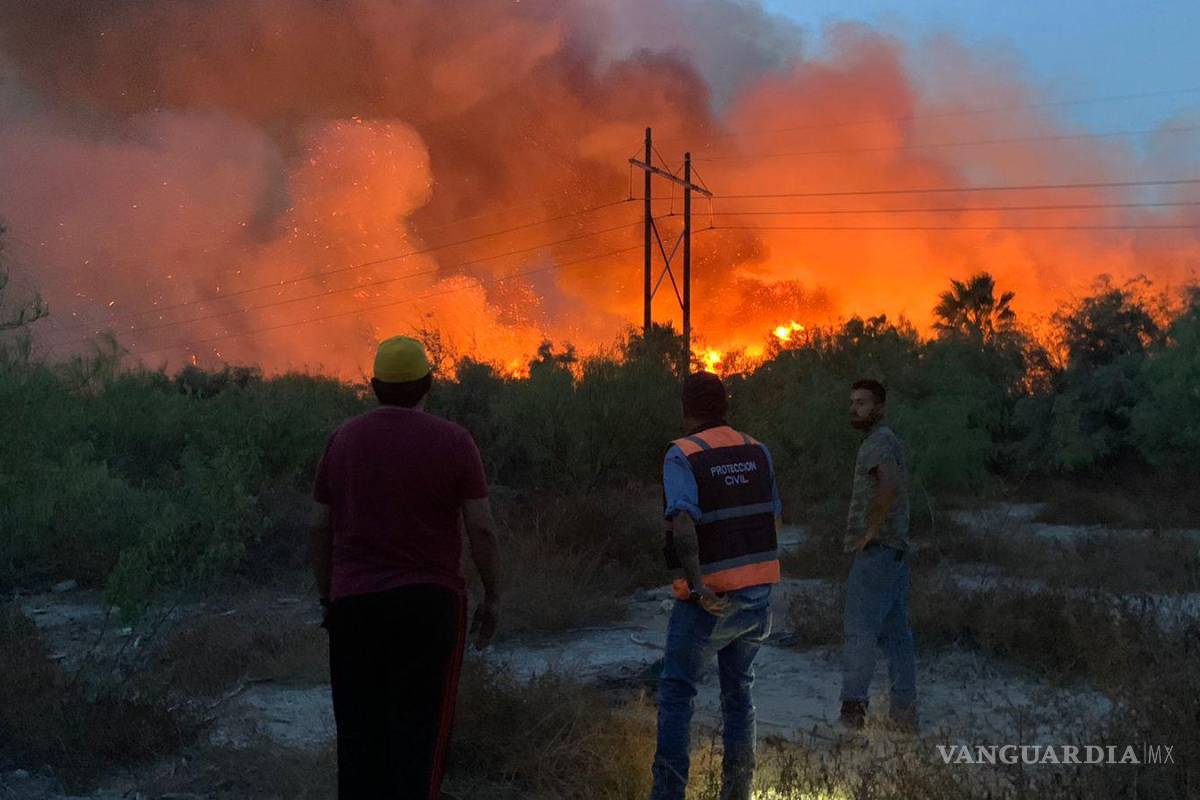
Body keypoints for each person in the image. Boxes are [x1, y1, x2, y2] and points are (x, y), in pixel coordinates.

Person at [309, 335, 502, 800]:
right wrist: (493, 596)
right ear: (429, 384)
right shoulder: (454, 441)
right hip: (429, 606)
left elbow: (318, 527)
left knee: (358, 738)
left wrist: (327, 595)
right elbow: (482, 529)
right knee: (421, 738)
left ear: (373, 385)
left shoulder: (342, 440)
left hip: (353, 606)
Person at [650, 371, 783, 800]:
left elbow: (683, 522)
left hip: (709, 601)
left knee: (675, 694)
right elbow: (774, 518)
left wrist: (697, 584)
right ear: (725, 406)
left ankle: (668, 794)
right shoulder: (757, 451)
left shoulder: (682, 454)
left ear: (686, 409)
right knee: (739, 694)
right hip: (758, 596)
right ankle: (737, 791)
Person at [838, 378, 917, 732]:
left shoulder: (878, 443)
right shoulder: (884, 440)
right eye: (853, 402)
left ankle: (853, 712)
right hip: (894, 554)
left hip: (878, 554)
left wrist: (869, 531)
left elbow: (888, 484)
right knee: (897, 634)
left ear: (880, 407)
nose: (855, 408)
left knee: (859, 632)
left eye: (863, 403)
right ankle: (904, 712)